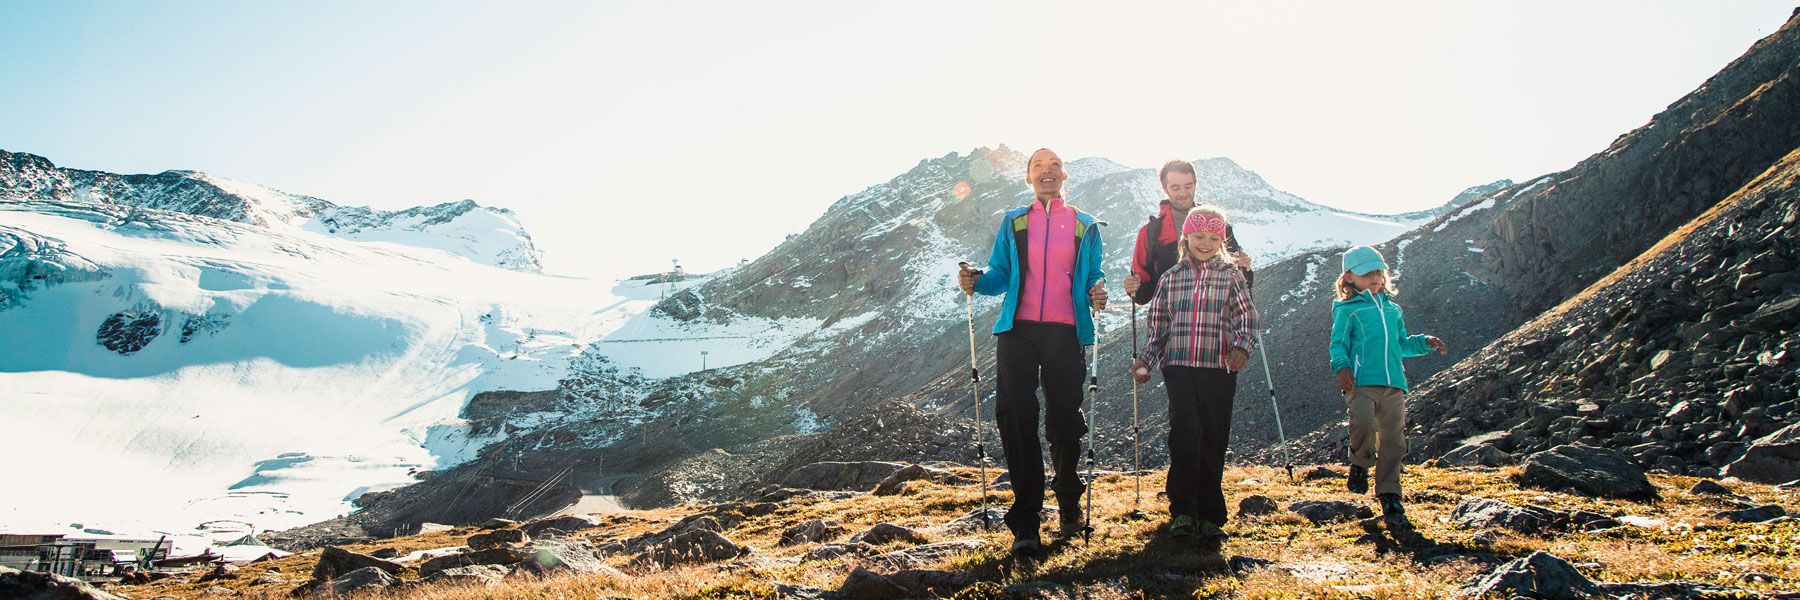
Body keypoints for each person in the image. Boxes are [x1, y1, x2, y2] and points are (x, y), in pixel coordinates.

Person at [958, 148, 1107, 557]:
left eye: (1054, 165)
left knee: (1063, 421)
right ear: (1028, 177)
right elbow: (1000, 276)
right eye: (1038, 166)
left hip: (1065, 331)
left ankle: (1069, 501)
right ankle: (1025, 521)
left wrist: (1098, 290)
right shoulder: (1014, 222)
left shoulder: (1084, 225)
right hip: (1017, 330)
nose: (1047, 171)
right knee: (1016, 415)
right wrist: (976, 280)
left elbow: (1095, 272)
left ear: (1064, 176)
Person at [1130, 206, 1258, 552]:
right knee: (1184, 432)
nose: (1205, 243)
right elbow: (1159, 326)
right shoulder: (1170, 277)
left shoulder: (1231, 276)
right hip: (1180, 366)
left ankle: (1211, 516)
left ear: (1221, 241)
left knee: (1214, 435)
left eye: (1213, 238)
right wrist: (1146, 361)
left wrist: (1242, 349)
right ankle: (1183, 511)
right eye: (1199, 236)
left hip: (1219, 367)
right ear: (1186, 237)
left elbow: (1247, 317)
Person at [1327, 245, 1447, 522]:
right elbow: (1338, 344)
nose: (1374, 278)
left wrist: (1425, 342)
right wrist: (1341, 367)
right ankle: (1360, 464)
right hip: (1360, 381)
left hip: (1394, 383)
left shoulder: (1393, 310)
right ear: (1348, 278)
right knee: (1364, 424)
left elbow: (1401, 344)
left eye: (1378, 272)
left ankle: (1390, 494)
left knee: (1393, 439)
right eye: (1367, 273)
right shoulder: (1348, 311)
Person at [1123, 160, 1254, 304]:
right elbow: (1142, 296)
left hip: (1217, 319)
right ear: (1164, 188)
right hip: (1171, 320)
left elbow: (1240, 280)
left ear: (1195, 184)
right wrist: (1134, 287)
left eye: (1188, 186)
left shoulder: (1216, 223)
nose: (1183, 193)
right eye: (1175, 187)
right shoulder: (1150, 232)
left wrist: (1245, 268)